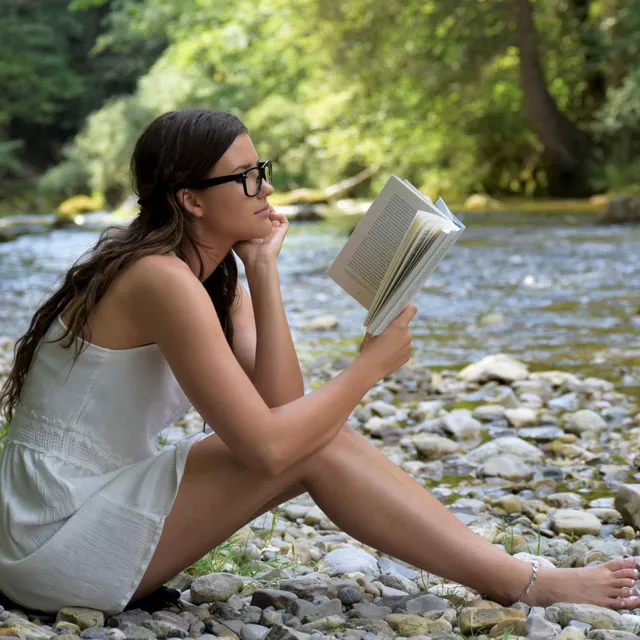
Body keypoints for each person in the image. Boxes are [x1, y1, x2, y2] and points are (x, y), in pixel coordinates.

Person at [0, 109, 637, 615]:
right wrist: (366, 369)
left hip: (90, 508)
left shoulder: (214, 280)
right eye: (246, 176)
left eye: (263, 168)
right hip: (51, 531)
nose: (267, 188)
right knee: (317, 444)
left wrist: (265, 267)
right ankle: (526, 583)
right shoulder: (158, 278)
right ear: (191, 199)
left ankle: (519, 578)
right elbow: (272, 450)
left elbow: (285, 409)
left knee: (317, 436)